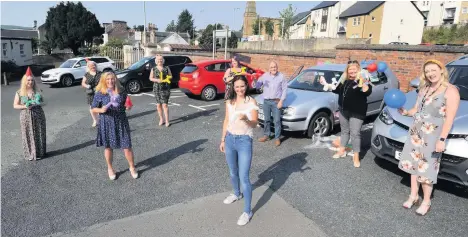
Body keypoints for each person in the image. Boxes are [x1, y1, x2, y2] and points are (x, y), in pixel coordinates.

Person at [398, 59, 460, 216]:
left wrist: (442, 139)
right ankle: (413, 196)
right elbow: (416, 109)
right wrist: (406, 112)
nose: (430, 74)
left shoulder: (450, 91)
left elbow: (450, 118)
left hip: (433, 135)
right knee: (413, 165)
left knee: (426, 169)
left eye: (433, 70)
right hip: (416, 132)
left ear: (441, 70)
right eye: (427, 71)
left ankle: (426, 201)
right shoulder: (424, 88)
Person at [219, 75, 259, 226]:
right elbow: (226, 120)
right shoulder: (230, 102)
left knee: (244, 177)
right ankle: (236, 193)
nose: (240, 89)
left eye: (242, 86)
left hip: (244, 141)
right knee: (232, 171)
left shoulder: (251, 102)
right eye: (237, 87)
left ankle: (247, 211)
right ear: (233, 87)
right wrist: (223, 139)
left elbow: (255, 124)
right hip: (230, 139)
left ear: (246, 86)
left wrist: (246, 119)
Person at [320, 60, 372, 167]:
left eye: (354, 69)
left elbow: (367, 92)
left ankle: (356, 156)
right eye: (350, 69)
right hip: (343, 111)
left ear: (358, 70)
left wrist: (362, 82)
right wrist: (325, 84)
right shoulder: (344, 81)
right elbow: (336, 90)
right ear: (347, 71)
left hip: (357, 112)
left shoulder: (363, 80)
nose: (352, 71)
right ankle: (341, 150)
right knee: (344, 131)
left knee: (355, 134)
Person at [91, 71, 138, 180]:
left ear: (115, 79)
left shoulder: (121, 91)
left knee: (127, 146)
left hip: (121, 121)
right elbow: (93, 108)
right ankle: (110, 168)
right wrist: (100, 109)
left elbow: (127, 103)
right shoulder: (100, 93)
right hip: (106, 123)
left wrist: (128, 106)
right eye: (107, 79)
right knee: (108, 147)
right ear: (104, 80)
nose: (110, 81)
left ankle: (132, 167)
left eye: (112, 79)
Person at [13, 67, 47, 161]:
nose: (30, 82)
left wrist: (38, 102)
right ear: (24, 81)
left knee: (39, 132)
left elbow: (45, 102)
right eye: (28, 80)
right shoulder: (19, 93)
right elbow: (15, 105)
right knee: (27, 134)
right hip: (26, 116)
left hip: (39, 115)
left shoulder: (38, 91)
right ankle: (30, 154)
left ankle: (40, 152)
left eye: (32, 80)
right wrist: (25, 106)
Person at [256, 61, 288, 147]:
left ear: (277, 67)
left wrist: (281, 101)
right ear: (269, 68)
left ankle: (277, 138)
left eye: (274, 67)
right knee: (267, 120)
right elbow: (258, 84)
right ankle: (267, 135)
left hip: (276, 102)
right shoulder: (265, 76)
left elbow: (285, 90)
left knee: (277, 121)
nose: (273, 68)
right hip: (266, 101)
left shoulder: (281, 76)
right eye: (271, 67)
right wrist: (258, 83)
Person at [149, 55, 172, 127]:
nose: (160, 61)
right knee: (158, 105)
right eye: (158, 60)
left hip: (165, 88)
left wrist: (168, 78)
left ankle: (167, 121)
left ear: (163, 60)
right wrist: (157, 80)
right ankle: (161, 119)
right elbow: (150, 78)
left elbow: (171, 76)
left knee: (165, 105)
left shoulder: (167, 68)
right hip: (157, 88)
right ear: (156, 61)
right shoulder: (153, 69)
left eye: (161, 59)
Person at [81, 58, 101, 127]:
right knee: (92, 107)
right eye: (91, 66)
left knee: (100, 106)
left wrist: (99, 87)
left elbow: (104, 82)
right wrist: (87, 86)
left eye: (94, 65)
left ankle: (101, 119)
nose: (93, 67)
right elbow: (83, 83)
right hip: (90, 93)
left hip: (100, 92)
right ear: (88, 67)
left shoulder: (100, 73)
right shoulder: (86, 74)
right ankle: (95, 120)